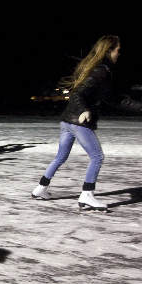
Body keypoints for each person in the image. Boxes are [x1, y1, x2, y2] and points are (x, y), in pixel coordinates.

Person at [31, 35, 142, 210]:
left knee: (60, 157)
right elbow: (77, 94)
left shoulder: (100, 70)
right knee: (97, 157)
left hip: (67, 120)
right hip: (78, 121)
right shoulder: (101, 71)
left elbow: (114, 99)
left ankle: (40, 189)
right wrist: (84, 109)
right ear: (109, 50)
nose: (119, 54)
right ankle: (87, 195)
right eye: (118, 50)